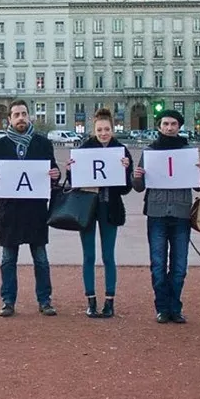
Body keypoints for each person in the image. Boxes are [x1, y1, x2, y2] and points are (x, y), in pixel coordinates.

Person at [0, 99, 61, 317]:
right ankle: (8, 301)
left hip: (36, 210)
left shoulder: (42, 144)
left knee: (41, 259)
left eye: (24, 114)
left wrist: (55, 175)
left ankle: (45, 300)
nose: (20, 118)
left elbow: (53, 171)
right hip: (10, 211)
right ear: (9, 119)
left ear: (30, 117)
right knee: (8, 259)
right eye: (16, 115)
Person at [134, 108, 200, 323]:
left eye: (173, 124)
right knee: (158, 264)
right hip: (156, 212)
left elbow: (199, 186)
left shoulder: (188, 151)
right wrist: (137, 176)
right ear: (159, 126)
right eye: (165, 124)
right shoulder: (149, 151)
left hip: (181, 212)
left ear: (179, 126)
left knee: (179, 266)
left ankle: (175, 307)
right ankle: (162, 307)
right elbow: (138, 187)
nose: (169, 128)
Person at [65, 108, 133, 318]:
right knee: (88, 255)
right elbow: (74, 184)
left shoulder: (121, 150)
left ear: (112, 129)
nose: (103, 133)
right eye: (100, 130)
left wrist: (126, 170)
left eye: (107, 129)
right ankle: (91, 300)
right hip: (87, 208)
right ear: (93, 130)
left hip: (109, 207)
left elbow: (125, 189)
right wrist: (70, 170)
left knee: (108, 255)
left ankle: (109, 301)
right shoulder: (84, 149)